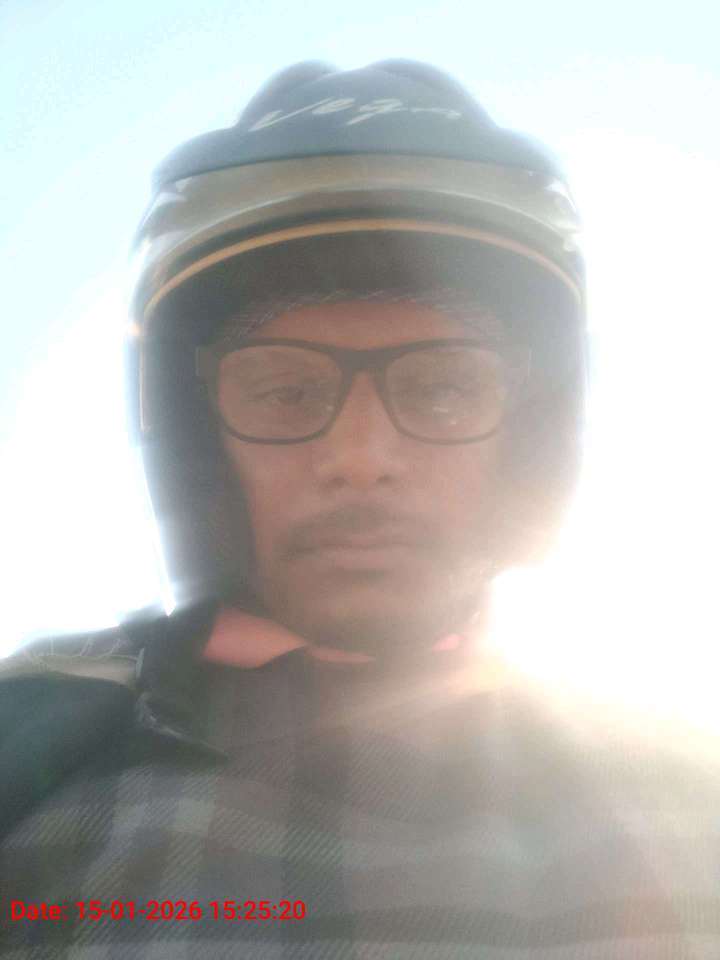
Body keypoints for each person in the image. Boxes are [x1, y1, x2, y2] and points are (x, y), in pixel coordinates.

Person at [1, 59, 718, 958]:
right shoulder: (36, 742)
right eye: (285, 392)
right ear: (200, 447)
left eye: (445, 390)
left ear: (526, 440)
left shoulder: (682, 795)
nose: (362, 461)